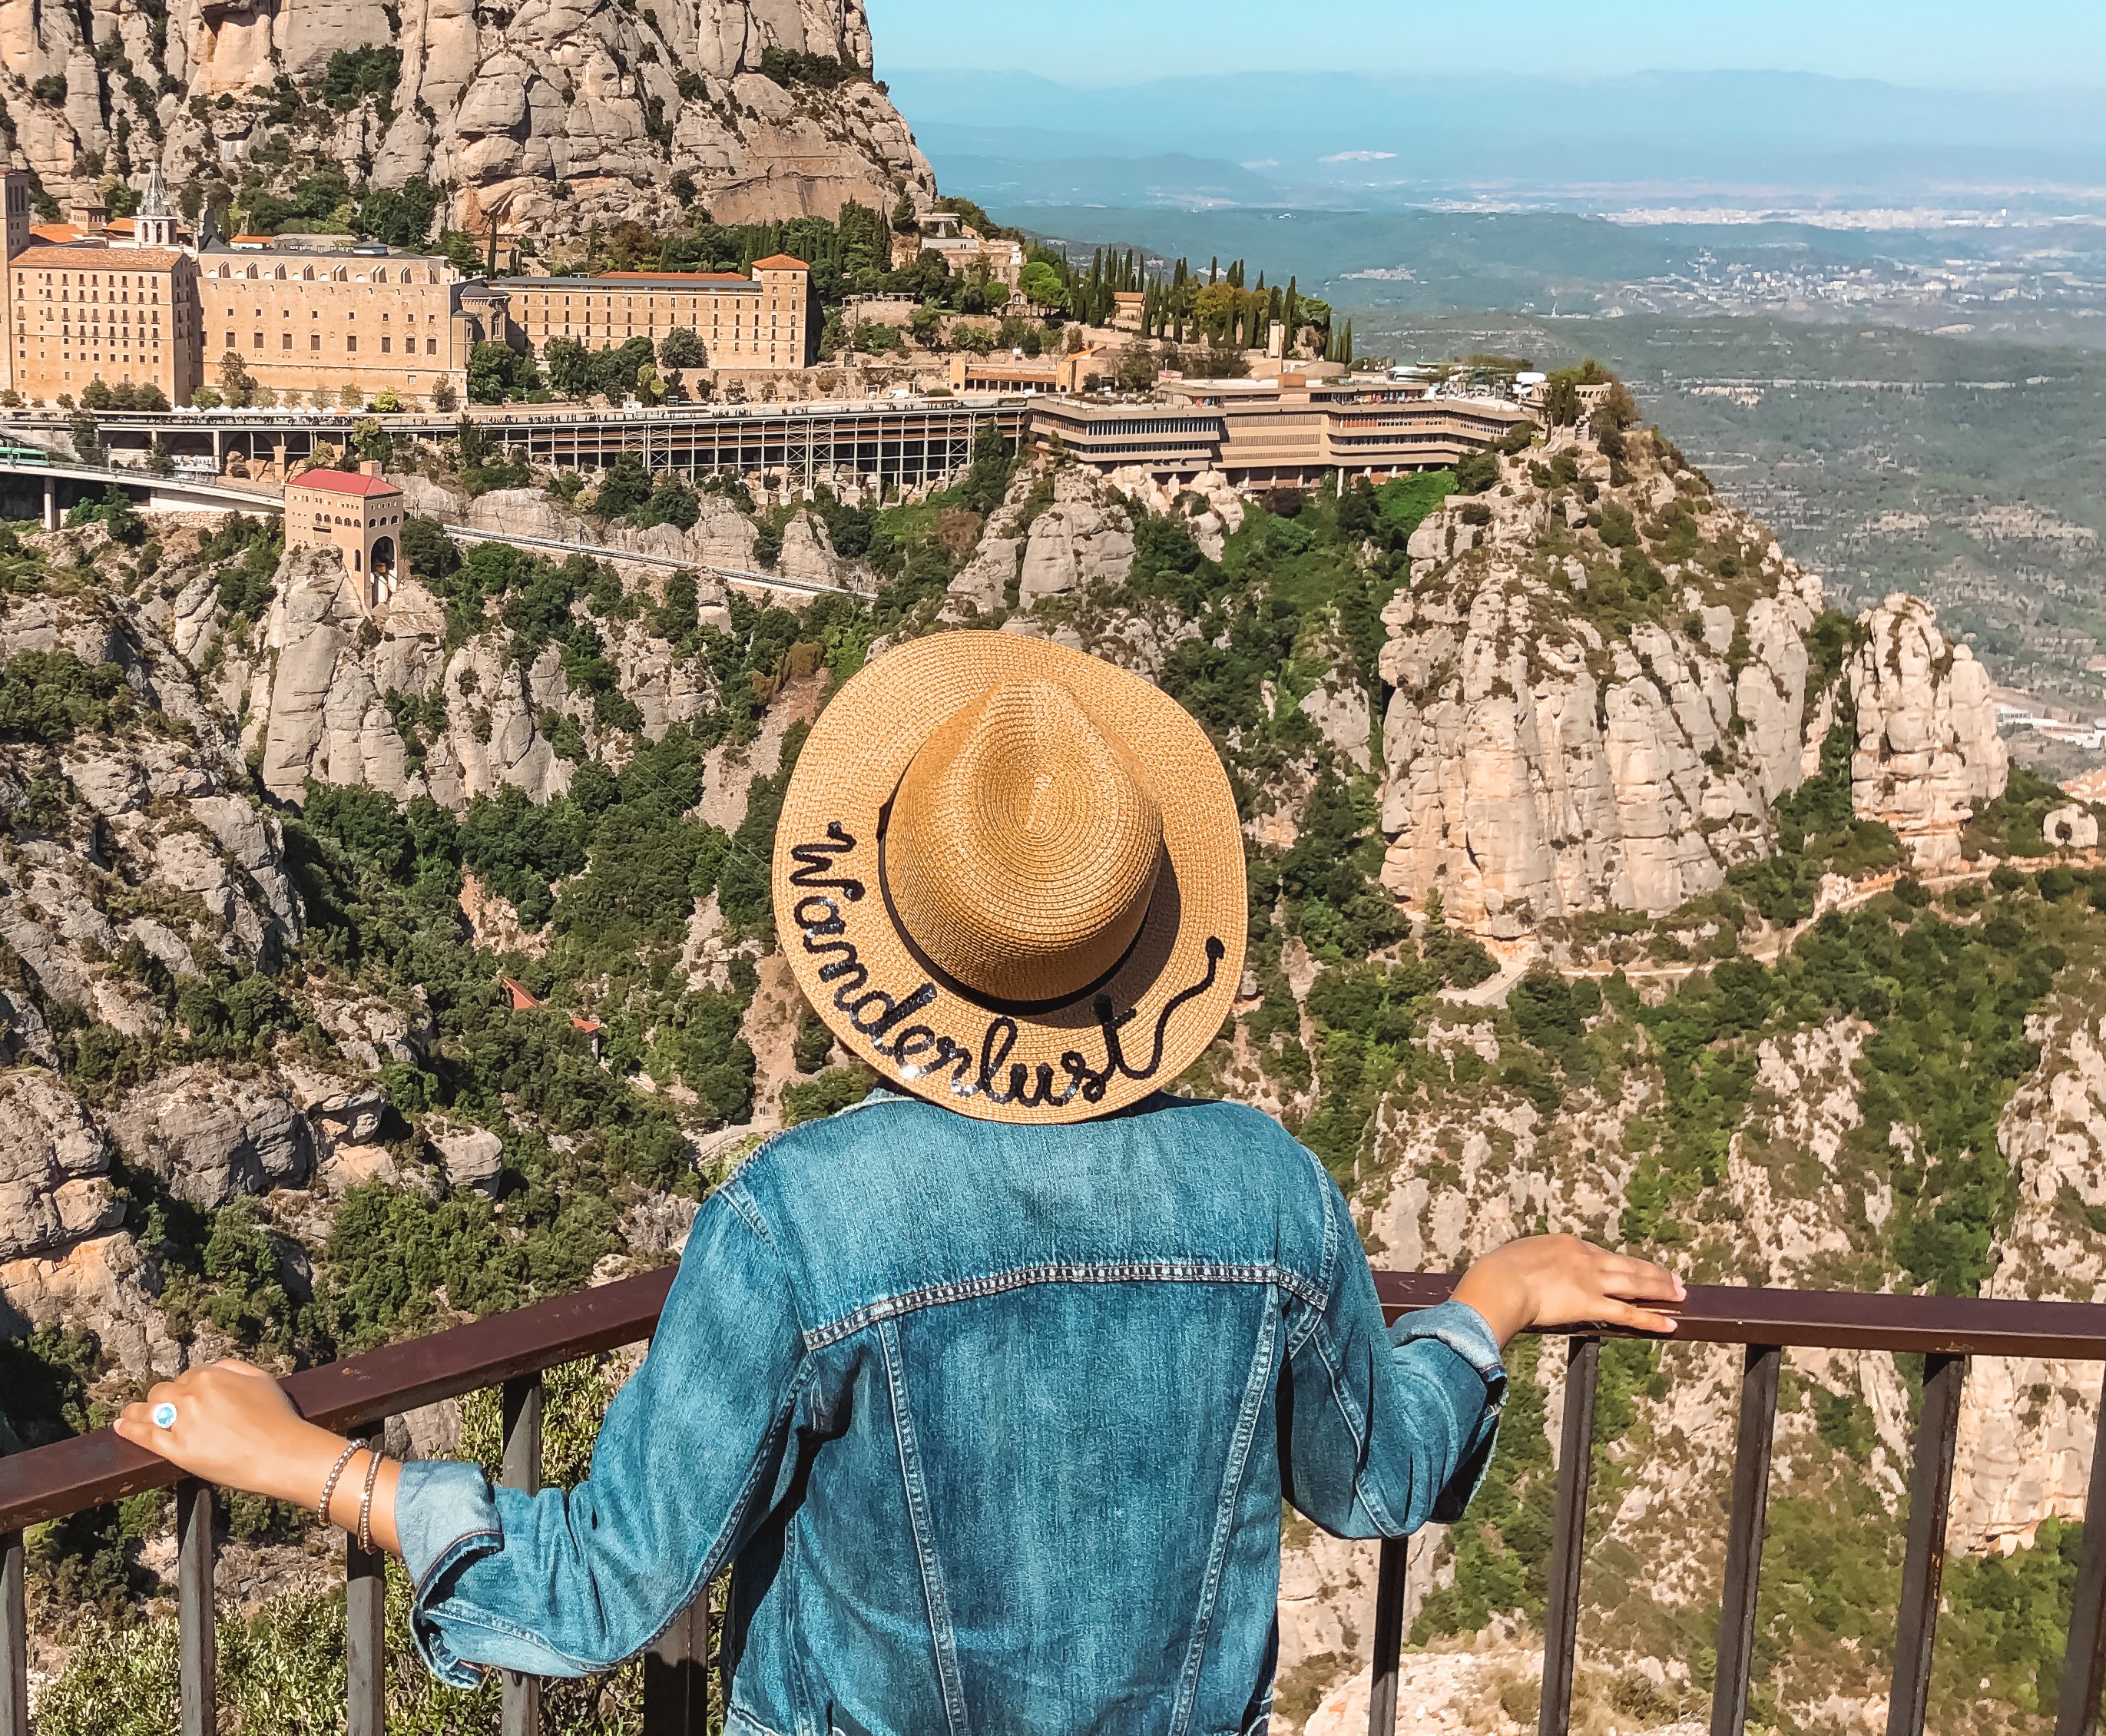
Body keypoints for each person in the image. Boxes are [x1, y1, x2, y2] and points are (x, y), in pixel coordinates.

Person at [124, 631, 1682, 1734]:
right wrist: (1486, 1304)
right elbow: (1379, 1481)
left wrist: (305, 1467)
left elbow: (607, 1586)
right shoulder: (1265, 1194)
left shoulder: (799, 1221)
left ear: (888, 928)